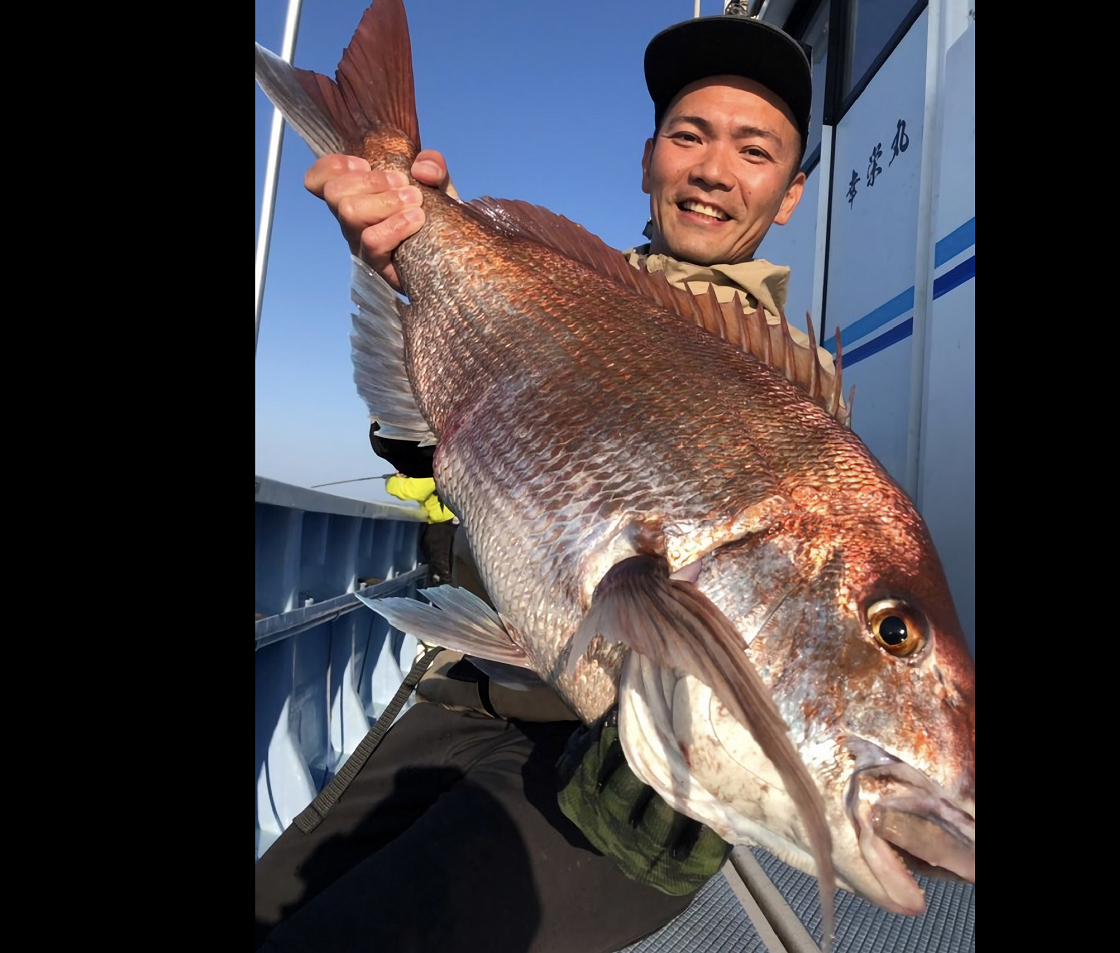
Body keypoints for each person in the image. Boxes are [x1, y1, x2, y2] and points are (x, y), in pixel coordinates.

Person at [255, 12, 840, 953]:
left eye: (754, 148)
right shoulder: (554, 290)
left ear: (791, 192)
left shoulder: (801, 400)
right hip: (470, 680)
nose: (713, 169)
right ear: (647, 159)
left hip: (597, 768)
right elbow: (430, 458)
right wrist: (403, 256)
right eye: (688, 135)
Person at [368, 422, 458, 585]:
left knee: (445, 579)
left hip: (446, 529)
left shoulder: (436, 464)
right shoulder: (450, 456)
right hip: (455, 527)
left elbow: (416, 490)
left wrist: (393, 482)